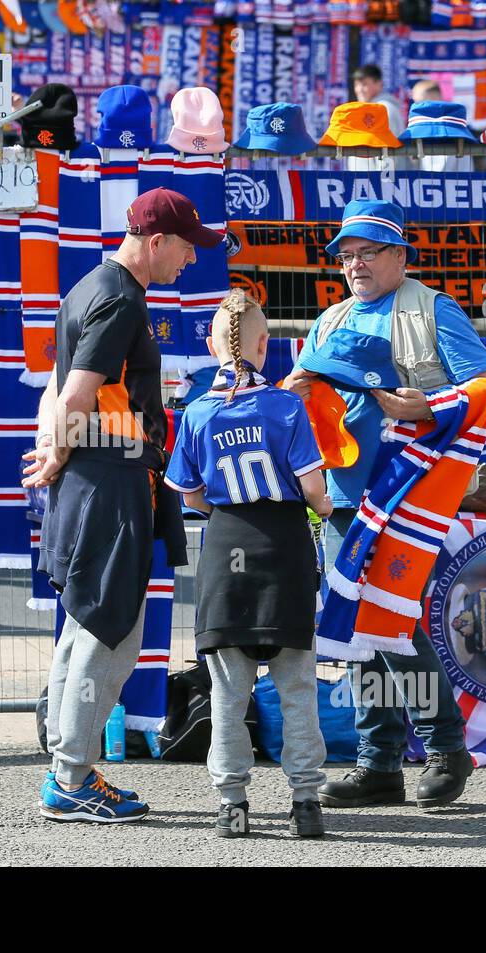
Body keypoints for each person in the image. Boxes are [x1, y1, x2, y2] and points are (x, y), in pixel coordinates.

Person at [283, 199, 486, 810]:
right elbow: (303, 402)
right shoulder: (330, 320)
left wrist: (428, 407)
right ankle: (377, 766)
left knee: (394, 625)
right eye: (345, 255)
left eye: (367, 252)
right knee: (356, 628)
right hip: (343, 497)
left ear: (400, 256)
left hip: (409, 493)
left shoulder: (434, 308)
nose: (353, 264)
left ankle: (445, 750)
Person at [23, 186, 221, 823]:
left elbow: (57, 390)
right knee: (112, 634)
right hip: (107, 484)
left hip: (96, 480)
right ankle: (71, 776)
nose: (190, 262)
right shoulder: (119, 300)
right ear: (157, 241)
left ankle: (68, 767)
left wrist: (54, 451)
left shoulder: (89, 287)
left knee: (87, 625)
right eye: (187, 249)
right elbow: (76, 391)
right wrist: (58, 453)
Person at [164, 289, 334, 839]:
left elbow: (188, 494)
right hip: (283, 549)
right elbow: (314, 491)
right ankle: (306, 802)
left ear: (213, 345)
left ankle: (232, 804)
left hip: (224, 549)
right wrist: (328, 505)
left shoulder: (195, 412)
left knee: (227, 693)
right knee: (297, 688)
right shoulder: (286, 406)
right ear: (265, 345)